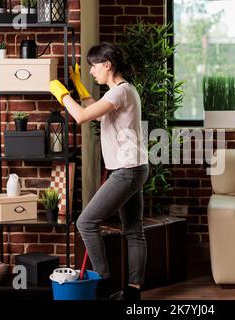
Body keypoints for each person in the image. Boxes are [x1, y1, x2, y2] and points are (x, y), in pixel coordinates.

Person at [50, 42, 149, 300]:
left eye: (94, 66)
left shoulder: (119, 93)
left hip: (126, 171)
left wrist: (61, 94)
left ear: (107, 64)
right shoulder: (122, 92)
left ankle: (104, 285)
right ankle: (132, 293)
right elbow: (94, 111)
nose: (92, 71)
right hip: (135, 168)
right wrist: (79, 86)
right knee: (133, 230)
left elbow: (82, 116)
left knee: (86, 222)